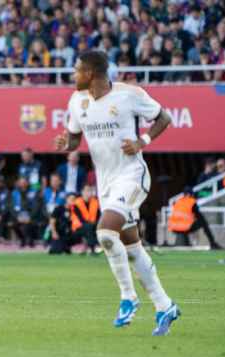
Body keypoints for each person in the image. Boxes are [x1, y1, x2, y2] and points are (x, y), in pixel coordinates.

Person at [54, 50, 179, 335]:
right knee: (132, 248)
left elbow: (164, 117)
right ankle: (165, 305)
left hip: (133, 176)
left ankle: (128, 297)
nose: (73, 75)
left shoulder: (128, 94)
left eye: (77, 70)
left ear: (91, 73)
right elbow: (74, 137)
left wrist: (142, 141)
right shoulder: (77, 101)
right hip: (106, 183)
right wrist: (67, 143)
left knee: (105, 233)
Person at [70, 185, 100, 254]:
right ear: (82, 192)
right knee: (88, 227)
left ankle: (89, 246)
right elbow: (80, 219)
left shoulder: (95, 202)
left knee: (94, 227)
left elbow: (98, 217)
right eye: (86, 190)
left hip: (92, 225)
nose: (88, 192)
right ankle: (93, 248)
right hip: (78, 227)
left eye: (89, 190)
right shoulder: (76, 203)